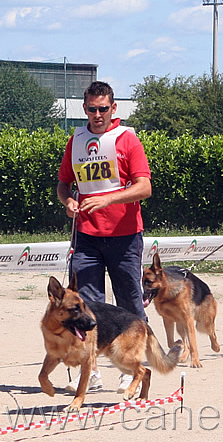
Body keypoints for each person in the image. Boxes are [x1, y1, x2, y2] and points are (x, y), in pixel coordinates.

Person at [57, 81, 152, 391]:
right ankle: (92, 371)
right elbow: (63, 183)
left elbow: (144, 187)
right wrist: (68, 201)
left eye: (102, 109)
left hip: (124, 235)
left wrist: (108, 198)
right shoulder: (77, 140)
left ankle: (133, 367)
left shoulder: (127, 140)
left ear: (114, 109)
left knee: (129, 302)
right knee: (86, 306)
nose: (97, 114)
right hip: (85, 235)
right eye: (91, 109)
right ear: (84, 109)